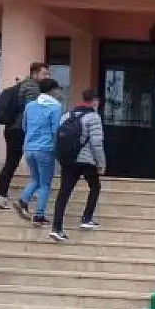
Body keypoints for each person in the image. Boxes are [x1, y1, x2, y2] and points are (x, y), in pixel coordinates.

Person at [50, 90, 107, 242]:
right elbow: (96, 143)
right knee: (95, 187)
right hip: (86, 160)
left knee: (63, 193)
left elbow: (58, 138)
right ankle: (86, 219)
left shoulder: (67, 115)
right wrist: (101, 163)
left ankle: (56, 228)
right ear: (94, 101)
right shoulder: (94, 117)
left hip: (68, 160)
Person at [0, 62, 50, 209]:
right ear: (35, 73)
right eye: (44, 74)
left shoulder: (22, 85)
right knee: (28, 161)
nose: (46, 77)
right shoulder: (32, 87)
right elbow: (32, 110)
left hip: (12, 128)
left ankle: (1, 195)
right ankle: (6, 194)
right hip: (22, 129)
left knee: (11, 162)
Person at [13, 78, 63, 226]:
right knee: (45, 183)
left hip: (29, 147)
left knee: (35, 179)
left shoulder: (30, 106)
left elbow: (24, 126)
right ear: (52, 90)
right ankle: (39, 214)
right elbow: (56, 131)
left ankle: (23, 200)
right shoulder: (56, 107)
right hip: (46, 149)